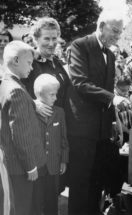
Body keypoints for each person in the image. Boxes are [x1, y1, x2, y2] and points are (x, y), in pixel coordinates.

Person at [66, 10, 131, 215]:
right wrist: (113, 98)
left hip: (103, 132)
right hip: (82, 130)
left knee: (97, 182)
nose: (117, 36)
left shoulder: (110, 54)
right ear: (100, 26)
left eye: (120, 32)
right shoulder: (79, 46)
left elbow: (108, 91)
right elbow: (80, 83)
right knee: (80, 184)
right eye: (114, 30)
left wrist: (117, 124)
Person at [22, 17, 70, 193]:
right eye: (46, 39)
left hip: (57, 134)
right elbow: (13, 91)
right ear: (36, 39)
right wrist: (34, 104)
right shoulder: (29, 62)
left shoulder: (57, 62)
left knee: (51, 192)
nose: (51, 43)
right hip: (37, 137)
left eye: (54, 38)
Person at [0, 40, 46, 215]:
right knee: (22, 207)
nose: (32, 67)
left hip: (11, 162)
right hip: (21, 167)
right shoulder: (16, 90)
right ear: (16, 60)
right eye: (29, 62)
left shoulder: (6, 84)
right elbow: (20, 133)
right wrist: (30, 166)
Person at [33, 73, 69, 215]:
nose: (55, 98)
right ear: (40, 95)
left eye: (56, 94)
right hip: (37, 166)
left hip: (54, 165)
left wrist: (64, 160)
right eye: (52, 95)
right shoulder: (31, 110)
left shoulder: (59, 112)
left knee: (52, 201)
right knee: (36, 201)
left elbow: (63, 138)